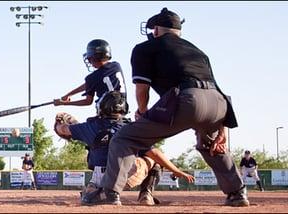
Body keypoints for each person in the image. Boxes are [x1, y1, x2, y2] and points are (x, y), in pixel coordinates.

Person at [81, 8, 247, 207]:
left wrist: (142, 112)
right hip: (218, 104)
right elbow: (214, 88)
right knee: (213, 146)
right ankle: (237, 193)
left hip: (187, 100)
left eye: (153, 29)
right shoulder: (197, 51)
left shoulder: (145, 48)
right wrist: (222, 127)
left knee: (124, 137)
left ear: (158, 30)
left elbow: (142, 89)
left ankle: (109, 193)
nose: (152, 32)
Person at [55, 91, 194, 205]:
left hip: (100, 177)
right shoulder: (130, 128)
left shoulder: (88, 127)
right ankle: (146, 195)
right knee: (155, 159)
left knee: (89, 192)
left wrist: (59, 124)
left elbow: (62, 129)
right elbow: (155, 153)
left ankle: (96, 191)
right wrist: (177, 171)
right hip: (125, 176)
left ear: (101, 107)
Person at [54, 39, 127, 112]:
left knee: (70, 124)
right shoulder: (116, 66)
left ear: (93, 57)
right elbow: (91, 83)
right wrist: (68, 94)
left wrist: (64, 103)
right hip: (122, 111)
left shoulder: (92, 78)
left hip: (105, 117)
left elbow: (87, 101)